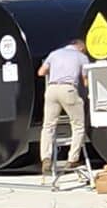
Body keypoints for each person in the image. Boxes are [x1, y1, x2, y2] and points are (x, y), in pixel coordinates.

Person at [38, 37, 90, 177]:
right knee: (78, 126)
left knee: (48, 126)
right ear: (81, 47)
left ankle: (46, 158)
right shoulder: (82, 57)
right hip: (68, 90)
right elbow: (86, 82)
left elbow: (41, 72)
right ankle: (72, 159)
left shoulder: (54, 53)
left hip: (51, 90)